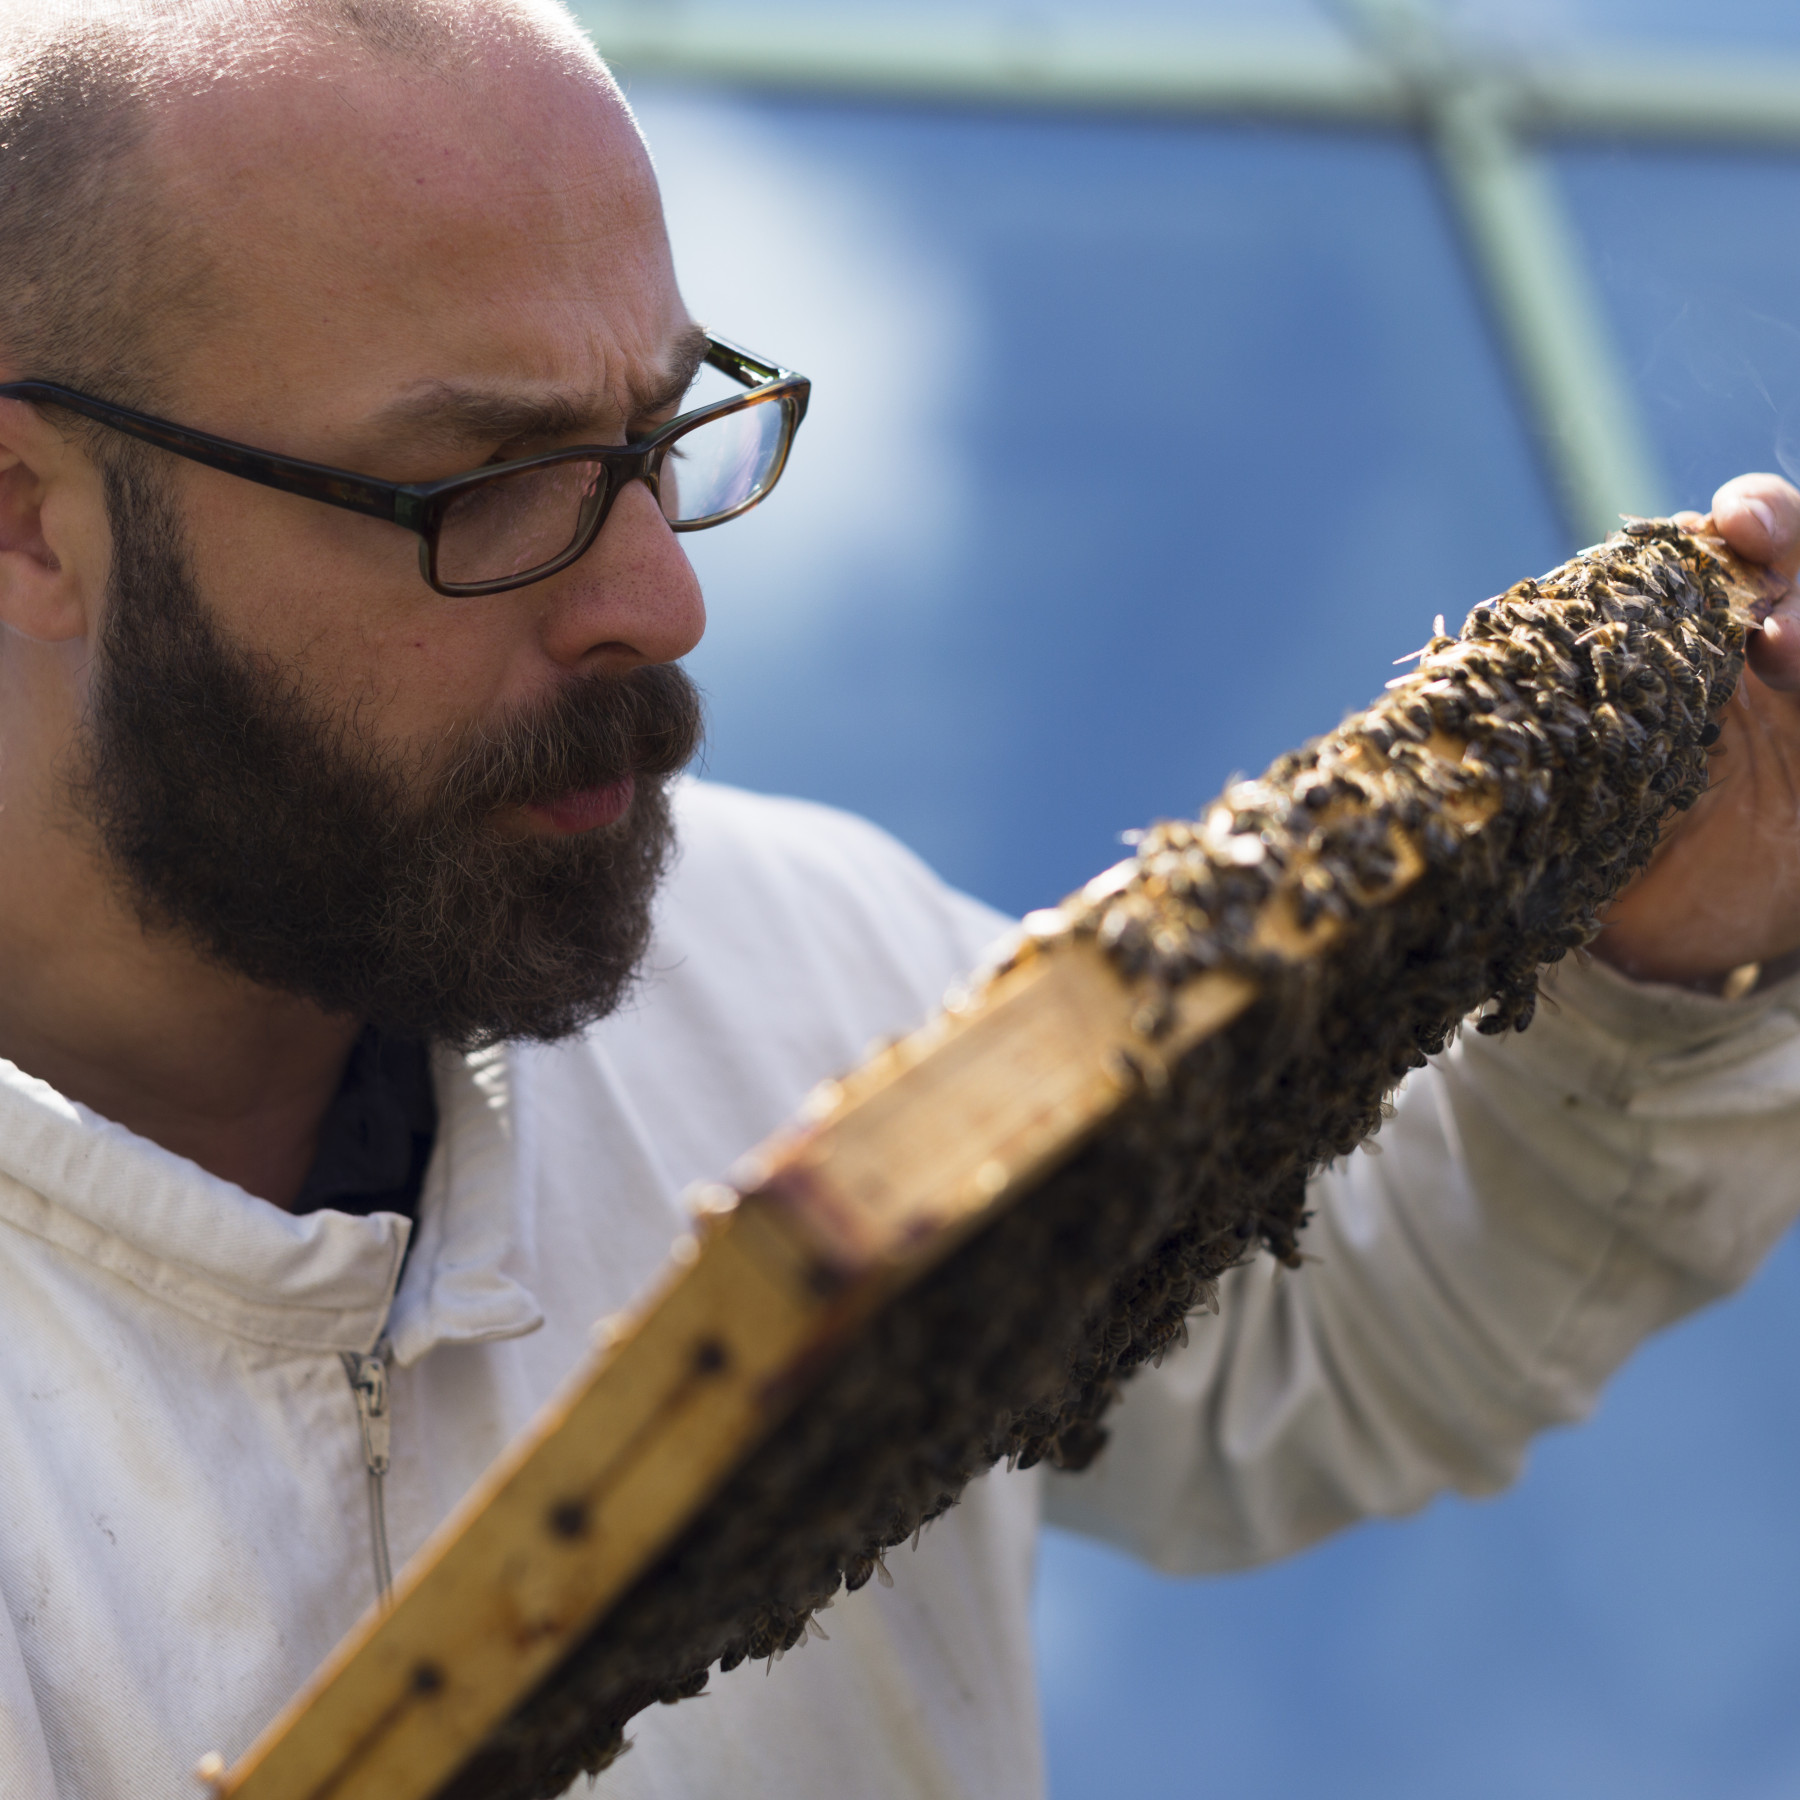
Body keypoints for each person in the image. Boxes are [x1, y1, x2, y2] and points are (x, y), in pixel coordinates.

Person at [1, 2, 1798, 1795]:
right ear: (26, 515)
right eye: (479, 483)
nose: (662, 602)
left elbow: (1322, 1336)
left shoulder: (804, 960)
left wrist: (1665, 970)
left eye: (659, 435)